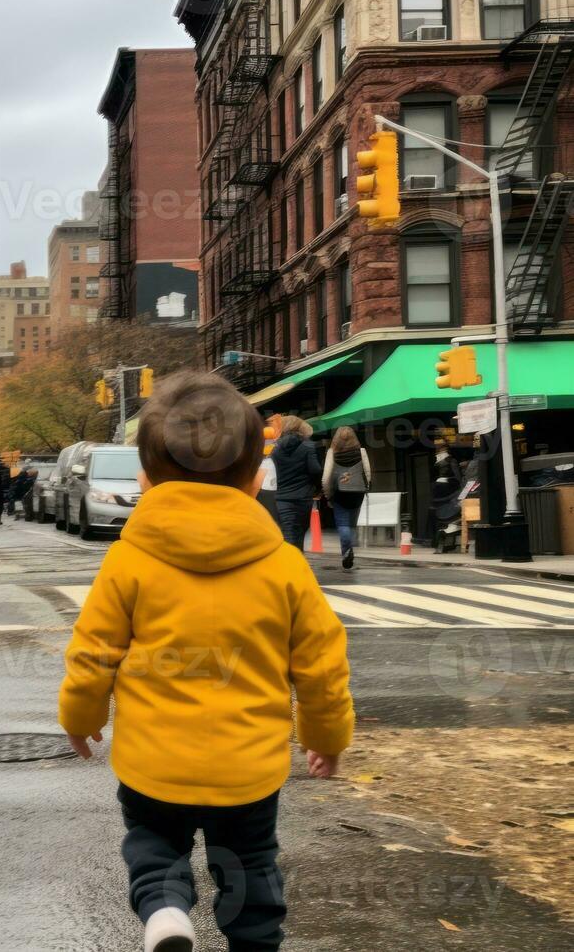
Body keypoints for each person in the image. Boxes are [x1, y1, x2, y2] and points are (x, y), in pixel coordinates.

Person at [58, 371, 354, 952]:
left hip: (153, 762)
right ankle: (254, 940)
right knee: (249, 866)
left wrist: (79, 715)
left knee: (153, 846)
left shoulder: (129, 561)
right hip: (248, 767)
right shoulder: (283, 565)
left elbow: (94, 651)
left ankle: (166, 911)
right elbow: (321, 665)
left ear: (146, 476)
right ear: (252, 479)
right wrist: (326, 736)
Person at [323, 426, 371, 571]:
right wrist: (367, 487)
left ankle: (347, 551)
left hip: (339, 493)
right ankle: (349, 546)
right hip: (358, 492)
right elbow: (367, 471)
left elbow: (326, 477)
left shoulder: (332, 453)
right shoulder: (361, 451)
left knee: (343, 524)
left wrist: (327, 494)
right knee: (351, 524)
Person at [272, 415, 321, 549]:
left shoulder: (275, 449)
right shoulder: (308, 446)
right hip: (303, 497)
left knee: (288, 532)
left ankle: (289, 563)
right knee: (300, 533)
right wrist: (316, 488)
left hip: (281, 498)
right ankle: (296, 562)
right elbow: (315, 470)